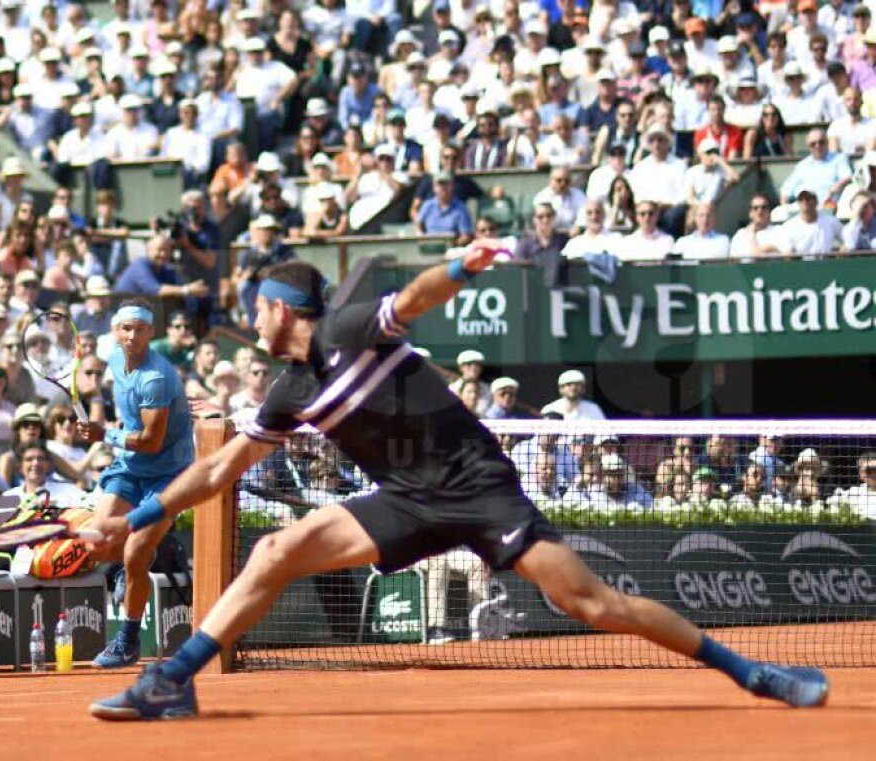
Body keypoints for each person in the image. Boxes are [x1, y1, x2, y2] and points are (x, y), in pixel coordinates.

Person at [85, 252, 828, 720]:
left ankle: (752, 671)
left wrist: (465, 268)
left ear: (281, 307)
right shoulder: (287, 392)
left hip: (479, 487)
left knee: (593, 603)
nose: (251, 319)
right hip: (404, 499)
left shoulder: (348, 329)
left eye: (257, 306)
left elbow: (412, 296)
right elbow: (216, 471)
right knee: (278, 548)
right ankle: (175, 677)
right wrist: (132, 520)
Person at [75, 298, 195, 669]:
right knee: (95, 544)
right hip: (129, 468)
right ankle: (146, 551)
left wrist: (103, 434)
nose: (132, 336)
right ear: (115, 331)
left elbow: (151, 441)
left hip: (168, 473)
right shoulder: (112, 358)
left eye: (140, 330)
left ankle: (127, 641)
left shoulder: (155, 377)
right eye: (125, 329)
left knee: (133, 555)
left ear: (151, 333)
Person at [779, 190, 843, 255]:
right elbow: (787, 252)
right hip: (800, 263)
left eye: (808, 199)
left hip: (826, 262)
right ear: (798, 203)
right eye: (801, 199)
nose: (805, 202)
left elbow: (846, 239)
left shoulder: (831, 221)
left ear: (816, 202)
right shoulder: (789, 226)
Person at [539, 370, 605, 420]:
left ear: (583, 389)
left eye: (577, 385)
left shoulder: (593, 409)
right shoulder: (549, 409)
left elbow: (604, 435)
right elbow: (540, 437)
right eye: (568, 384)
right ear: (560, 389)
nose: (573, 388)